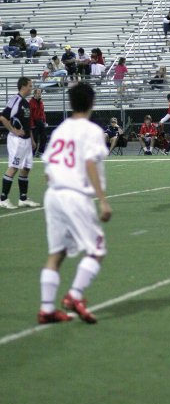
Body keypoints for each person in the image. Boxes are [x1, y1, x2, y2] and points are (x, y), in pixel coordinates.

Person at [38, 83, 111, 324]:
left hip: (53, 194)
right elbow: (90, 163)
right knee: (97, 249)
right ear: (92, 102)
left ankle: (47, 308)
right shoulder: (91, 131)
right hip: (75, 196)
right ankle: (75, 295)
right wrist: (102, 201)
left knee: (56, 253)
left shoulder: (60, 129)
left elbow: (47, 171)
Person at [0, 77, 40, 209]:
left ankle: (23, 198)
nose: (31, 87)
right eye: (30, 85)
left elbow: (28, 124)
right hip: (17, 141)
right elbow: (3, 117)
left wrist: (32, 140)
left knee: (26, 168)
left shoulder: (26, 103)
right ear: (23, 86)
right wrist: (14, 130)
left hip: (27, 141)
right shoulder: (15, 100)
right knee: (14, 167)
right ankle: (3, 199)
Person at [29, 88, 48, 156]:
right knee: (35, 138)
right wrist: (32, 124)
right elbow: (30, 114)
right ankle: (33, 153)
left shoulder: (41, 101)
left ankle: (40, 152)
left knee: (44, 137)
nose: (39, 94)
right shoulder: (31, 102)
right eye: (38, 93)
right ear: (34, 94)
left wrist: (45, 121)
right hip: (35, 122)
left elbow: (43, 112)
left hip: (40, 121)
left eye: (40, 93)